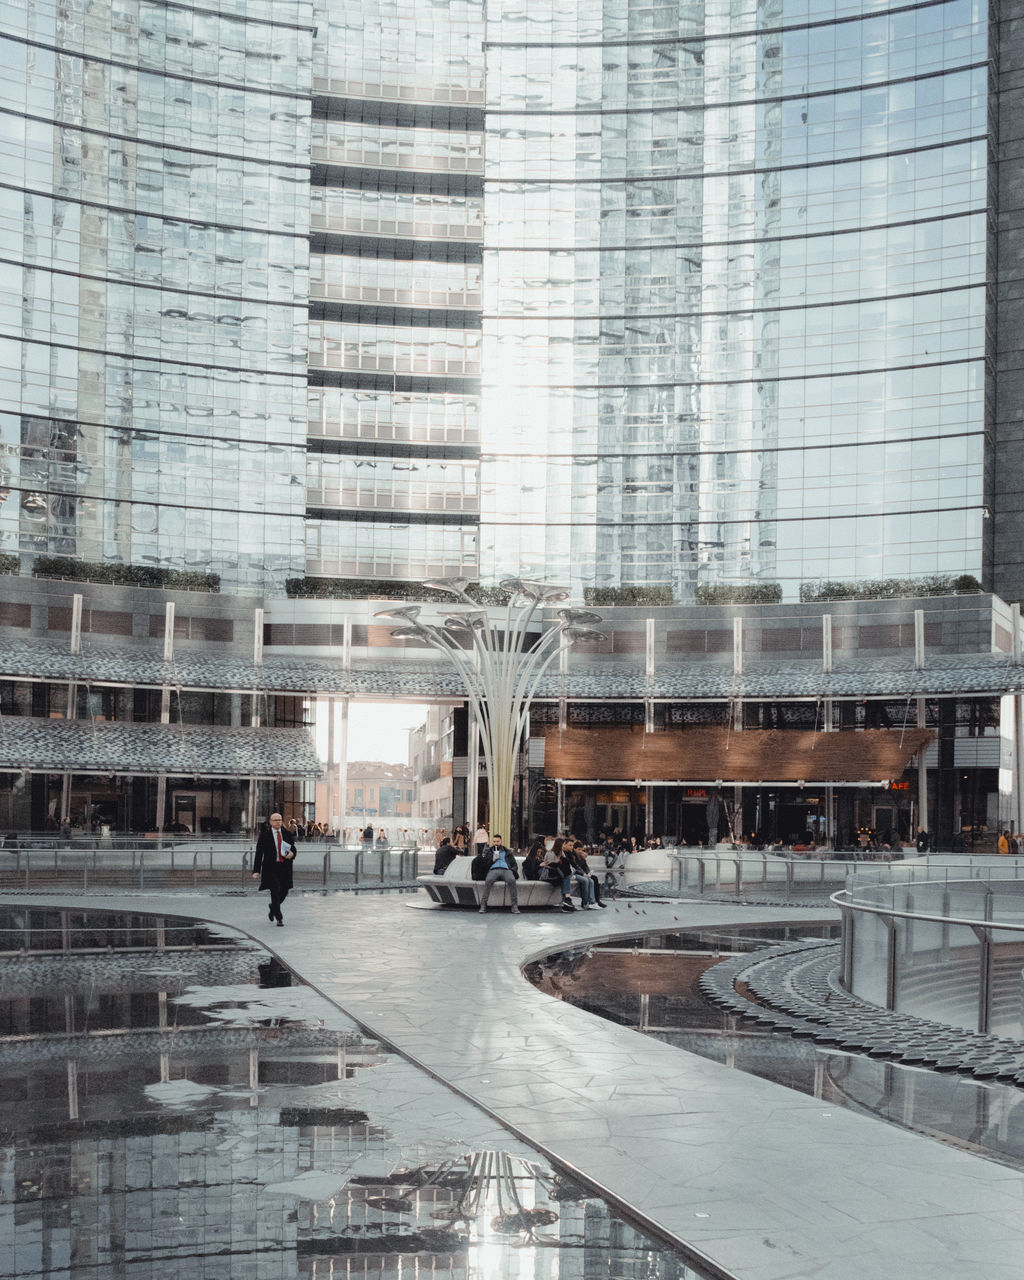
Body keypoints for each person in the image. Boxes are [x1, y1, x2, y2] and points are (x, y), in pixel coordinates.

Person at [251, 812, 297, 926]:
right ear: (271, 822)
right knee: (275, 891)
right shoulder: (265, 835)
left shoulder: (286, 834)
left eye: (280, 820)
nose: (278, 822)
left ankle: (273, 908)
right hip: (271, 868)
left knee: (284, 891)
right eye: (275, 820)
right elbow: (259, 854)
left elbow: (293, 848)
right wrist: (256, 871)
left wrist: (292, 854)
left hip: (284, 867)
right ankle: (279, 918)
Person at [478, 835, 520, 913]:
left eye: (497, 841)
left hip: (506, 870)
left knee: (512, 880)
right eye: (494, 841)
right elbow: (484, 865)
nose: (496, 843)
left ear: (501, 841)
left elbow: (514, 864)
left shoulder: (507, 851)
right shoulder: (489, 851)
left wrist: (511, 871)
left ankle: (514, 906)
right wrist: (492, 859)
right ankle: (483, 905)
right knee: (488, 881)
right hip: (493, 869)